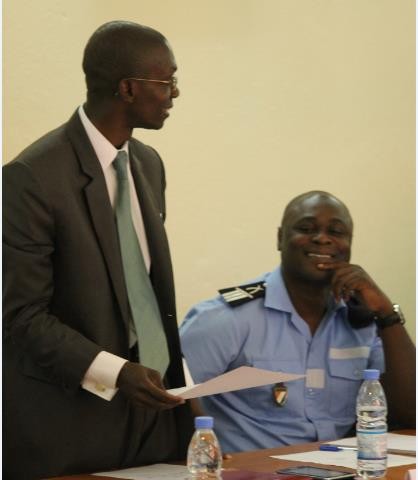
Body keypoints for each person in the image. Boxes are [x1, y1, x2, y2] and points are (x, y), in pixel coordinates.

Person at [3, 20, 194, 480]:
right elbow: (20, 315)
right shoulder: (32, 177)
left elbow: (143, 290)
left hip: (156, 422)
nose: (176, 94)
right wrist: (116, 371)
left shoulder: (147, 164)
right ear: (128, 89)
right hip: (72, 427)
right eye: (167, 82)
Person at [180, 191, 415, 453]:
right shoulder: (227, 318)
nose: (322, 239)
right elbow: (172, 398)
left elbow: (410, 412)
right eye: (306, 228)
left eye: (336, 232)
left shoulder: (363, 321)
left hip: (341, 468)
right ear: (280, 238)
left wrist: (386, 313)